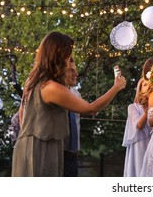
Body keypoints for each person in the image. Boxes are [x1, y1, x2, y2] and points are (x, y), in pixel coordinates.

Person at [12, 31, 127, 177]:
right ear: (59, 56)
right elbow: (90, 109)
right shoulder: (51, 87)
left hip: (26, 146)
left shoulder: (32, 81)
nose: (69, 61)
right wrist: (116, 87)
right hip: (42, 148)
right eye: (68, 56)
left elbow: (22, 115)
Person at [122, 77, 151, 177]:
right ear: (140, 89)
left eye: (150, 84)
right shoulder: (133, 107)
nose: (148, 87)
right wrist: (147, 111)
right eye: (145, 85)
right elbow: (138, 125)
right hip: (139, 146)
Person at [64, 58, 82, 177]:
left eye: (75, 70)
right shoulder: (51, 92)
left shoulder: (77, 94)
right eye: (71, 70)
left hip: (74, 153)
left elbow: (90, 109)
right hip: (59, 152)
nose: (76, 74)